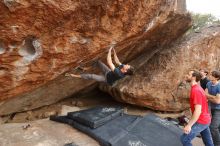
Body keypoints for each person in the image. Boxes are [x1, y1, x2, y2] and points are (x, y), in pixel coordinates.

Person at [65, 47, 134, 85]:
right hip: (109, 72)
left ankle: (73, 75)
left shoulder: (119, 74)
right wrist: (114, 51)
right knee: (98, 62)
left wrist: (109, 50)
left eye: (128, 66)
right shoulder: (123, 67)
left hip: (106, 79)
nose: (127, 64)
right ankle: (85, 68)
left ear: (125, 70)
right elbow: (117, 61)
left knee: (91, 76)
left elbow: (109, 62)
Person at [180, 70, 214, 146]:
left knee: (184, 139)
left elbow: (198, 111)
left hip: (201, 120)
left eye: (188, 74)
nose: (186, 75)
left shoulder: (196, 90)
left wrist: (189, 125)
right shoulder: (197, 87)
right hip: (205, 119)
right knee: (208, 142)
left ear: (194, 77)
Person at [205, 70, 220, 146]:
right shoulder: (208, 83)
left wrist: (209, 97)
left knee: (213, 128)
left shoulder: (219, 86)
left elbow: (218, 101)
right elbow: (205, 94)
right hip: (211, 108)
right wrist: (214, 97)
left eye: (212, 75)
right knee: (215, 127)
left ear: (216, 77)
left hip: (218, 109)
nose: (210, 76)